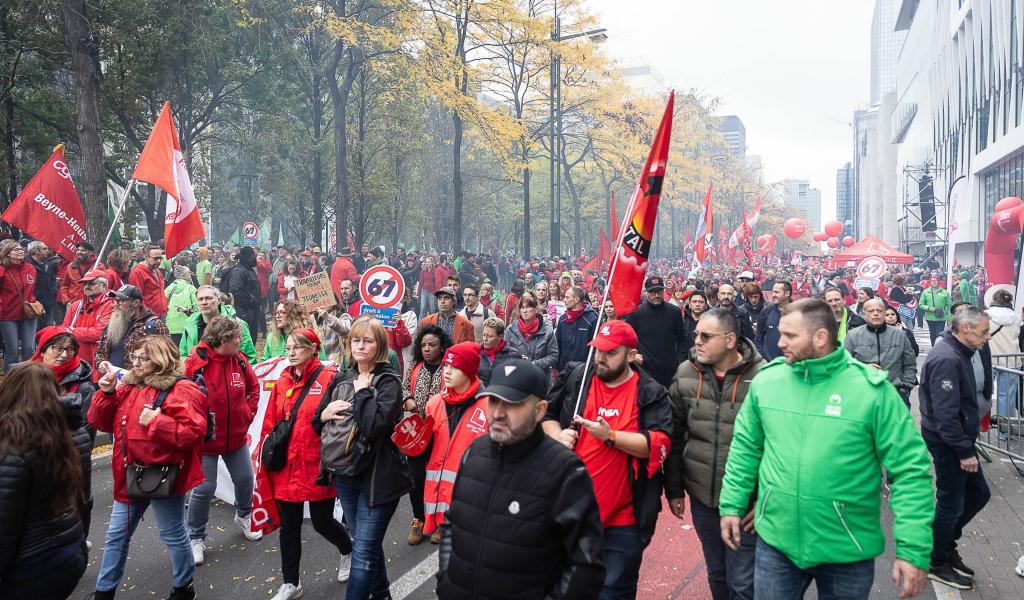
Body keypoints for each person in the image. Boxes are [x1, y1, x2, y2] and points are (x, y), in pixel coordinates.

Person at [718, 299, 933, 600]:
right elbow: (745, 449)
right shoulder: (767, 382)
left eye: (790, 336)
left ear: (820, 338)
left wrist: (913, 549)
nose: (779, 343)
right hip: (776, 545)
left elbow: (911, 472)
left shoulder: (872, 391)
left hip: (847, 550)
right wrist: (731, 505)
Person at [436, 358, 606, 599]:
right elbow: (452, 525)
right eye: (493, 401)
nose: (497, 413)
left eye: (511, 404)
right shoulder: (474, 453)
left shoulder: (565, 472)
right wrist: (446, 580)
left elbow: (586, 566)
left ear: (539, 411)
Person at [543, 319, 672, 600]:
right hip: (569, 514)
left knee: (613, 592)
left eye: (610, 352)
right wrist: (557, 435)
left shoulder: (649, 392)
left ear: (630, 355)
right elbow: (545, 415)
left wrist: (610, 435)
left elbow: (658, 444)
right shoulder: (578, 378)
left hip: (622, 522)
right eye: (598, 349)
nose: (601, 357)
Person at [88, 335, 207, 600]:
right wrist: (106, 394)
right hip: (128, 474)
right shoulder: (129, 386)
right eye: (134, 357)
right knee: (116, 536)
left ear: (161, 359)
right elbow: (101, 423)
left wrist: (157, 421)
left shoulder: (181, 389)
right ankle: (103, 593)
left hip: (162, 473)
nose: (136, 363)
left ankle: (183, 587)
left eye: (144, 358)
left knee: (173, 534)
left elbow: (193, 434)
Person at [666, 309, 764, 600]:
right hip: (702, 497)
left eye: (706, 336)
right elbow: (674, 434)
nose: (697, 341)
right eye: (696, 334)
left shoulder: (764, 377)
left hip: (748, 502)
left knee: (743, 582)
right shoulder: (686, 373)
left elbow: (777, 444)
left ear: (731, 339)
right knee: (717, 574)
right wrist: (674, 489)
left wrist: (763, 498)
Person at [313, 316, 410, 600]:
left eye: (367, 341)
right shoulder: (341, 376)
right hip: (345, 476)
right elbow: (316, 424)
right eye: (356, 340)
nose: (360, 346)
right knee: (367, 545)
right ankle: (382, 595)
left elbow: (373, 427)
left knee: (364, 551)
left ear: (379, 345)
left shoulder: (389, 380)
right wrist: (324, 414)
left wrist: (364, 392)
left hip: (379, 480)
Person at [260, 328, 351, 600]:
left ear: (313, 348)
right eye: (288, 347)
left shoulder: (330, 378)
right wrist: (266, 452)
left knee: (323, 522)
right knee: (289, 526)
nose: (291, 352)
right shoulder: (282, 381)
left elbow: (341, 421)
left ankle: (348, 550)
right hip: (288, 465)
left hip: (316, 464)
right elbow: (272, 421)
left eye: (297, 347)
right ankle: (291, 582)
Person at [918, 305, 993, 590]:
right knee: (952, 502)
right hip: (949, 443)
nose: (987, 337)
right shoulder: (947, 358)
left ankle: (944, 543)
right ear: (965, 329)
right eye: (984, 331)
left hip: (957, 440)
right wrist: (963, 451)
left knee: (979, 494)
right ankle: (935, 559)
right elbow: (945, 415)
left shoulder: (960, 352)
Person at [0, 362, 89, 599]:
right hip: (69, 545)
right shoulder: (70, 431)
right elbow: (83, 496)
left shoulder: (14, 446)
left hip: (33, 563)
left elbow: (5, 525)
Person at [184, 317, 262, 566]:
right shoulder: (195, 363)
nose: (241, 341)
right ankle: (196, 536)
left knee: (245, 479)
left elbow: (254, 388)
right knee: (204, 488)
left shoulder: (238, 359)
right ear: (222, 341)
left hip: (235, 437)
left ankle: (244, 516)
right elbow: (182, 397)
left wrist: (247, 414)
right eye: (236, 338)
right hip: (206, 441)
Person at [412, 341, 487, 544]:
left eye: (455, 367)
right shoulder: (434, 403)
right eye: (446, 365)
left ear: (470, 371)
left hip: (469, 496)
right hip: (436, 483)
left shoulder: (487, 406)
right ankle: (433, 522)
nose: (447, 371)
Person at [30, 326, 98, 533]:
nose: (64, 355)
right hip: (32, 463)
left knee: (75, 511)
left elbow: (85, 432)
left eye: (69, 350)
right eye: (57, 349)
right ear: (42, 350)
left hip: (69, 464)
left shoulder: (83, 386)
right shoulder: (26, 378)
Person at [401, 325, 453, 545]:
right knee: (416, 479)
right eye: (423, 345)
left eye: (432, 345)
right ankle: (418, 519)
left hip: (443, 433)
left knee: (440, 479)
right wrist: (408, 399)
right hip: (417, 432)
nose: (426, 349)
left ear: (442, 347)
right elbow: (403, 388)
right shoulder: (415, 366)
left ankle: (440, 523)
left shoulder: (450, 368)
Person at [843, 298, 918, 407]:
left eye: (879, 311)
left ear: (883, 313)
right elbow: (844, 363)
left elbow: (910, 363)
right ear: (865, 314)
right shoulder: (853, 336)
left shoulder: (900, 335)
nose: (876, 314)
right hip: (863, 393)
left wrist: (905, 388)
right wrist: (863, 368)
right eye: (871, 311)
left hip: (894, 392)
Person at [624, 276, 687, 388]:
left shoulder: (674, 312)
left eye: (659, 291)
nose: (657, 295)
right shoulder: (635, 314)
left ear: (663, 290)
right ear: (646, 292)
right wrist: (633, 355)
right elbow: (626, 339)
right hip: (646, 369)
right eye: (653, 292)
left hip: (670, 369)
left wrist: (679, 360)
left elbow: (682, 339)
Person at [95, 285, 170, 373]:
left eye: (121, 301)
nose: (116, 305)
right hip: (111, 382)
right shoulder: (113, 323)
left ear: (136, 303)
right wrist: (101, 363)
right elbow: (100, 352)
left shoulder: (155, 325)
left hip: (139, 384)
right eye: (115, 301)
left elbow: (165, 360)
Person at [179, 285, 257, 363]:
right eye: (200, 299)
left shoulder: (237, 324)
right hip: (195, 373)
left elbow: (248, 357)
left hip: (227, 373)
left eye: (209, 298)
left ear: (219, 300)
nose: (204, 302)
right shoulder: (190, 325)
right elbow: (183, 354)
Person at [0, 239, 40, 371]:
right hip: (7, 315)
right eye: (15, 249)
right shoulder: (2, 270)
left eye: (20, 249)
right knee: (12, 349)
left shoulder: (30, 268)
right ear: (7, 252)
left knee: (29, 348)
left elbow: (33, 288)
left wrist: (32, 301)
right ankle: (10, 381)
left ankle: (27, 379)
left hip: (28, 313)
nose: (20, 251)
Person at [63, 269, 116, 366]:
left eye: (92, 283)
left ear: (104, 285)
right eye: (85, 284)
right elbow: (64, 330)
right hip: (73, 359)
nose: (87, 286)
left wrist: (73, 331)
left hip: (96, 362)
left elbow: (99, 333)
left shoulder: (111, 305)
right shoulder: (76, 305)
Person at [986, 289, 1021, 430]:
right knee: (1007, 396)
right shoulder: (1016, 317)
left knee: (984, 394)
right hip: (1012, 359)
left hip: (989, 358)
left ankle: (981, 426)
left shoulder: (986, 315)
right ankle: (1005, 430)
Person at [503, 293, 559, 373]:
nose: (525, 311)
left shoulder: (547, 330)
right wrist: (517, 359)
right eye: (522, 308)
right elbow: (504, 353)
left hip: (539, 377)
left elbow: (553, 355)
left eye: (528, 307)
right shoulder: (511, 330)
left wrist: (534, 364)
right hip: (517, 376)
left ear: (536, 309)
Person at [554, 285, 600, 373]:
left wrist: (591, 368)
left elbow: (595, 348)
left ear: (577, 299)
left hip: (583, 370)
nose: (564, 300)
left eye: (567, 297)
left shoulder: (592, 319)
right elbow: (557, 344)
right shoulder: (563, 319)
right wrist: (556, 366)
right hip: (563, 370)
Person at [219, 246, 263, 338]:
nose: (253, 258)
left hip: (249, 310)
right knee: (244, 338)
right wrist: (250, 302)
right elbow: (235, 290)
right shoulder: (238, 270)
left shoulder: (248, 269)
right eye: (251, 256)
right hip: (242, 311)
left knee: (251, 337)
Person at [127, 244, 169, 319]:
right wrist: (146, 313)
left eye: (160, 258)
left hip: (161, 313)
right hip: (147, 316)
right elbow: (136, 297)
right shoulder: (137, 272)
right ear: (146, 257)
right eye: (155, 258)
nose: (159, 261)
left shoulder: (157, 271)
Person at [755, 281, 792, 362]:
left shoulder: (798, 312)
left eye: (777, 292)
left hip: (791, 363)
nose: (773, 295)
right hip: (769, 362)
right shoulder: (767, 310)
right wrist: (762, 357)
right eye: (773, 292)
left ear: (787, 293)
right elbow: (758, 336)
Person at [26, 241, 59, 327]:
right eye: (44, 249)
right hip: (34, 305)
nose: (47, 251)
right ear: (36, 251)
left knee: (47, 331)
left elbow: (53, 279)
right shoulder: (26, 265)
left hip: (49, 303)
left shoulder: (48, 264)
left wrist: (54, 291)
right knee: (34, 331)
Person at [165, 265, 199, 347]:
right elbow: (197, 307)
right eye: (189, 274)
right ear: (183, 276)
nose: (190, 275)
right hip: (187, 326)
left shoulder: (169, 288)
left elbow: (163, 303)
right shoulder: (191, 288)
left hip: (171, 325)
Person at [478, 317, 517, 385]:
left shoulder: (513, 355)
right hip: (480, 393)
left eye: (490, 336)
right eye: (484, 335)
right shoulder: (476, 352)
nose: (485, 339)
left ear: (500, 337)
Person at [58, 241, 96, 309]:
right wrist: (67, 301)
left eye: (83, 250)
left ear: (91, 253)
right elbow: (64, 286)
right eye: (78, 250)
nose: (79, 252)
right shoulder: (70, 266)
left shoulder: (97, 266)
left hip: (90, 304)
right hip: (73, 304)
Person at [920, 274, 952, 345]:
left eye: (935, 281)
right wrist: (928, 308)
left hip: (941, 317)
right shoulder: (925, 292)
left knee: (939, 334)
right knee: (932, 334)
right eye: (932, 281)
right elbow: (921, 304)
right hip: (930, 317)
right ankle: (934, 349)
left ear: (938, 282)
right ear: (930, 282)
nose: (934, 282)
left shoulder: (945, 292)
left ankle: (938, 349)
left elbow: (949, 306)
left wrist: (949, 318)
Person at [681, 290, 708, 356]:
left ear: (706, 305)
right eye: (694, 301)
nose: (697, 304)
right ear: (689, 305)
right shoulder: (682, 321)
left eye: (701, 302)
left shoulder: (711, 322)